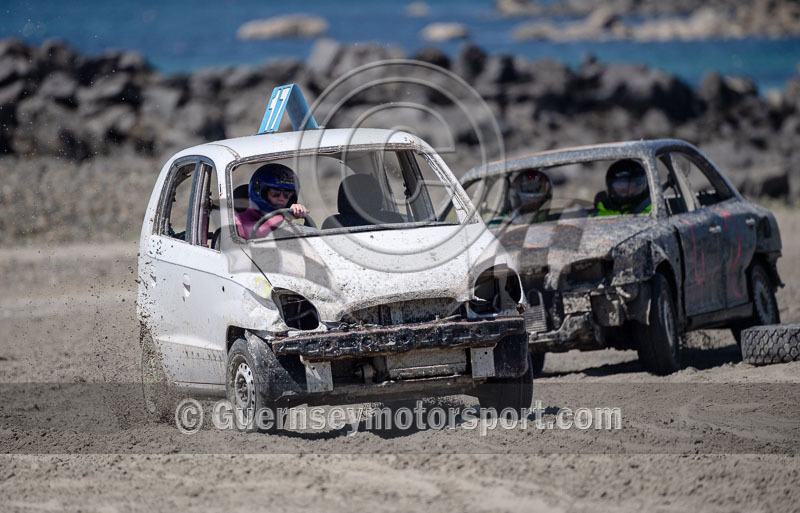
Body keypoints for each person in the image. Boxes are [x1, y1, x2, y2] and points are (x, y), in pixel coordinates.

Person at [235, 163, 308, 239]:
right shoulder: (240, 219)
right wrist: (285, 216)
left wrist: (299, 212)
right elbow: (254, 233)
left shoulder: (286, 216)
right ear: (259, 192)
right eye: (275, 193)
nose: (281, 198)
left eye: (287, 194)